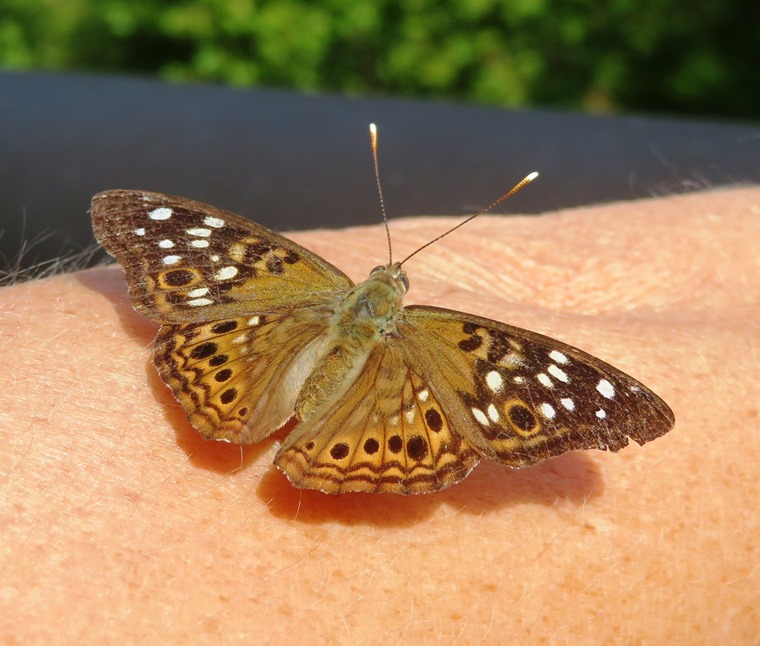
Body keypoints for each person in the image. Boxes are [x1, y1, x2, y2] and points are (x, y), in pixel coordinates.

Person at [1, 187, 757, 642]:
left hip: (270, 345)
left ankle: (269, 417)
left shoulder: (288, 271)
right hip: (367, 385)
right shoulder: (465, 342)